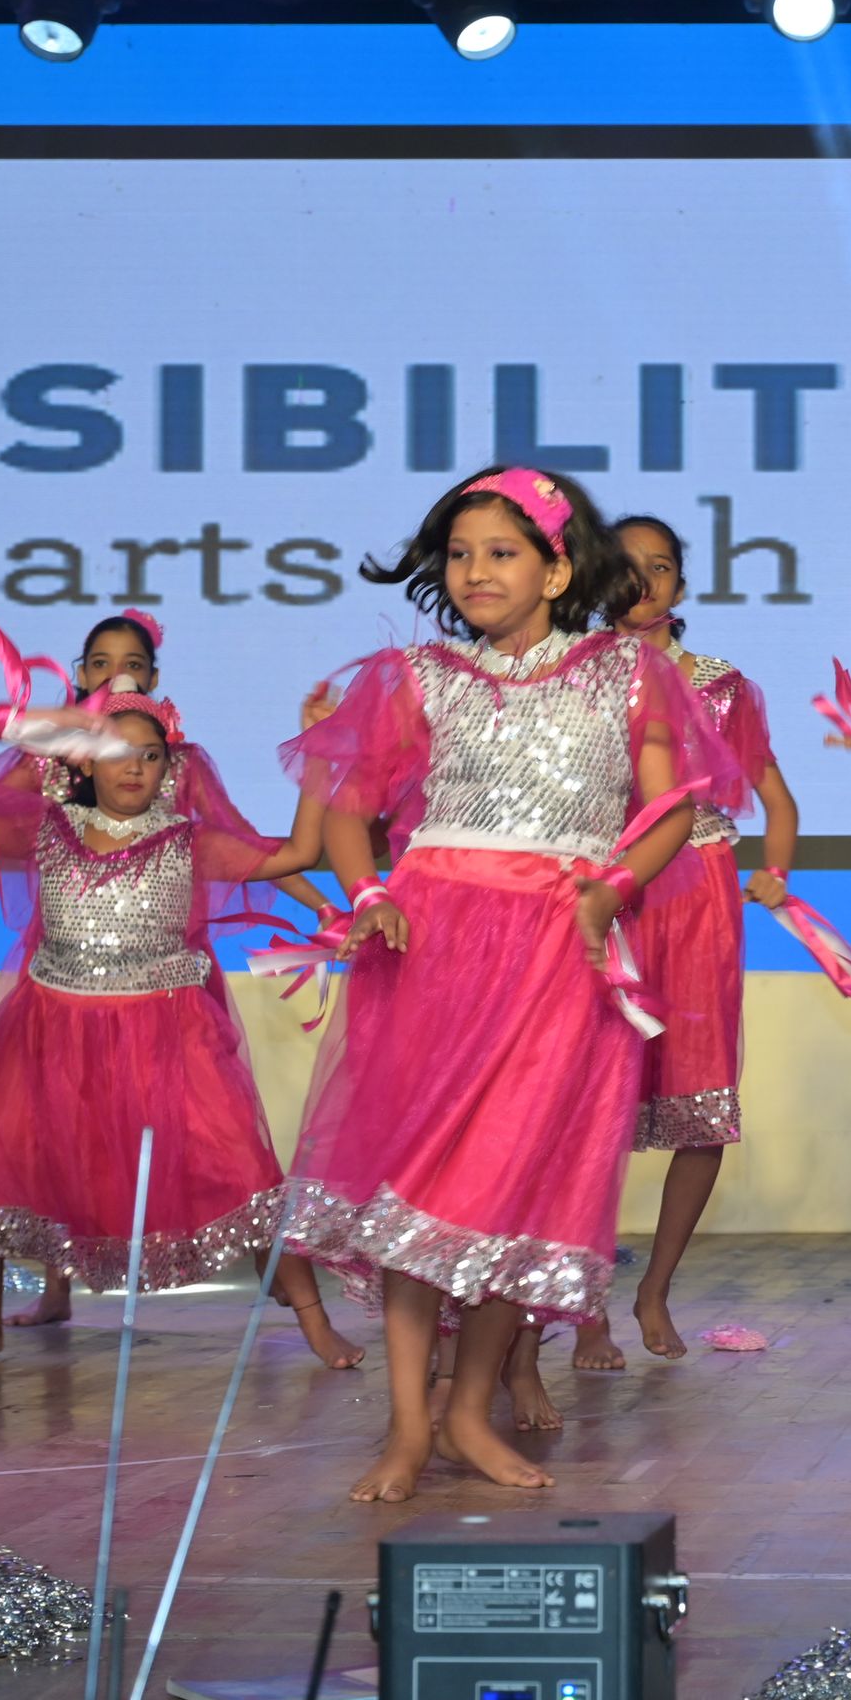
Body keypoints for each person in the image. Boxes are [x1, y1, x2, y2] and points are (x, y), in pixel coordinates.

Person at [278, 466, 738, 1501]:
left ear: (557, 567)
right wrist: (368, 893)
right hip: (432, 945)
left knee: (516, 1184)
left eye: (501, 552)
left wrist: (613, 888)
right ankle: (407, 1425)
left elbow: (673, 808)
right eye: (459, 554)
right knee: (420, 1185)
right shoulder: (416, 675)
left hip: (559, 950)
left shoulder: (629, 672)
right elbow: (349, 810)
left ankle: (467, 1410)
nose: (474, 571)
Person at [0, 689, 359, 1369]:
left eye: (151, 757)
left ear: (169, 770)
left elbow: (296, 851)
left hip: (166, 1036)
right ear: (85, 762)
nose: (135, 769)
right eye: (119, 753)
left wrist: (320, 753)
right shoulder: (48, 830)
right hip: (46, 1031)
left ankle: (315, 1321)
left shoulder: (190, 842)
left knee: (240, 1168)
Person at [565, 516, 804, 1372]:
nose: (643, 583)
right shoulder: (568, 674)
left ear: (681, 584)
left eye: (660, 567)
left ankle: (655, 1289)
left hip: (696, 895)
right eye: (626, 568)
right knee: (588, 1108)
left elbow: (778, 801)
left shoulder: (722, 686)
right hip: (601, 892)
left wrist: (775, 873)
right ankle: (582, 1306)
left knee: (700, 1109)